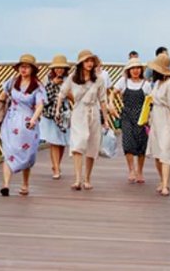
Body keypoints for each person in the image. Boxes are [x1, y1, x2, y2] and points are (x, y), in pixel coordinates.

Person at [0, 54, 46, 196]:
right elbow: (1, 97)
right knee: (9, 150)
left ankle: (25, 184)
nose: (24, 69)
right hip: (11, 120)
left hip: (27, 123)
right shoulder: (13, 81)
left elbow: (40, 105)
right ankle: (6, 184)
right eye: (22, 66)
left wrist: (33, 119)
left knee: (27, 154)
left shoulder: (37, 87)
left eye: (27, 67)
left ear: (32, 69)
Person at [58, 49, 114, 191]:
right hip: (78, 112)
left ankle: (87, 178)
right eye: (86, 61)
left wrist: (105, 120)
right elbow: (62, 93)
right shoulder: (73, 78)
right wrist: (58, 109)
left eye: (91, 61)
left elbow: (103, 100)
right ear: (81, 63)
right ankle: (77, 179)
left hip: (93, 112)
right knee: (79, 142)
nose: (89, 64)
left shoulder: (99, 79)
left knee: (92, 145)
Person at [112, 54, 152, 183]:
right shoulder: (123, 81)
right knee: (128, 142)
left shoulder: (146, 84)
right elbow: (113, 92)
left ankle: (140, 171)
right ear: (128, 70)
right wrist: (111, 104)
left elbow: (150, 101)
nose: (135, 70)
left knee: (141, 144)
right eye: (132, 68)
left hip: (142, 117)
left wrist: (149, 118)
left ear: (141, 69)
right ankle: (131, 170)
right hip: (127, 115)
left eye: (138, 68)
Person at [146, 53, 170, 196]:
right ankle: (161, 180)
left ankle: (166, 184)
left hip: (166, 119)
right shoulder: (157, 84)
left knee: (165, 152)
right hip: (155, 119)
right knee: (157, 154)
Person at [39, 54, 72, 179]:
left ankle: (57, 164)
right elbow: (43, 97)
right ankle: (56, 168)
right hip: (50, 113)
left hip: (64, 112)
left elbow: (74, 97)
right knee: (54, 141)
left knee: (62, 142)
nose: (59, 70)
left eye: (62, 68)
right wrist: (52, 84)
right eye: (57, 68)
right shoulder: (46, 79)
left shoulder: (69, 80)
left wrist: (66, 91)